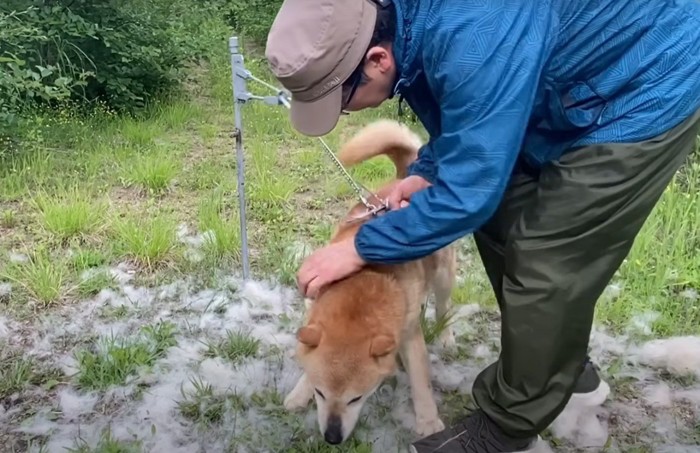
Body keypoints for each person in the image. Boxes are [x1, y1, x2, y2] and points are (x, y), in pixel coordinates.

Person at [265, 0, 700, 451]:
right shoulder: (410, 28)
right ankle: (562, 367)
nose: (347, 114)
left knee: (546, 260)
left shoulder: (472, 26)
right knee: (501, 224)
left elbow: (471, 190)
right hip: (546, 84)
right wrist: (427, 168)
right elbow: (470, 110)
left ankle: (504, 433)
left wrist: (357, 247)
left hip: (641, 80)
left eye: (342, 101)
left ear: (377, 60)